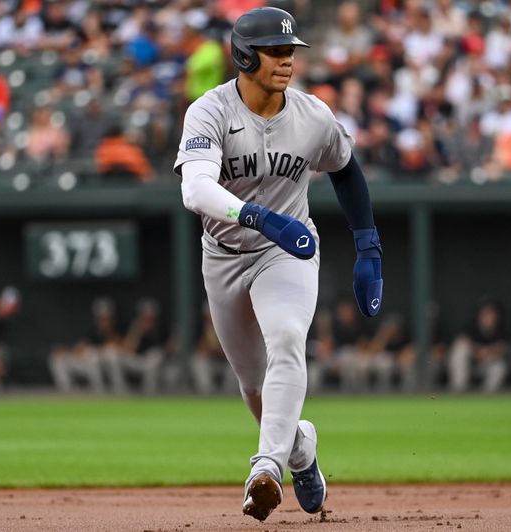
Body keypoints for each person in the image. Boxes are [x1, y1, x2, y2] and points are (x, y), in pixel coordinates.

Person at [173, 7, 383, 522]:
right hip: (223, 254)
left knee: (287, 338)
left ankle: (265, 467)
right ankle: (301, 451)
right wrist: (257, 216)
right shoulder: (210, 111)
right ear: (246, 55)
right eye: (276, 51)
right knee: (253, 383)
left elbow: (347, 171)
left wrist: (368, 246)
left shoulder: (313, 114)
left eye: (291, 51)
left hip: (285, 252)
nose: (287, 60)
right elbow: (195, 189)